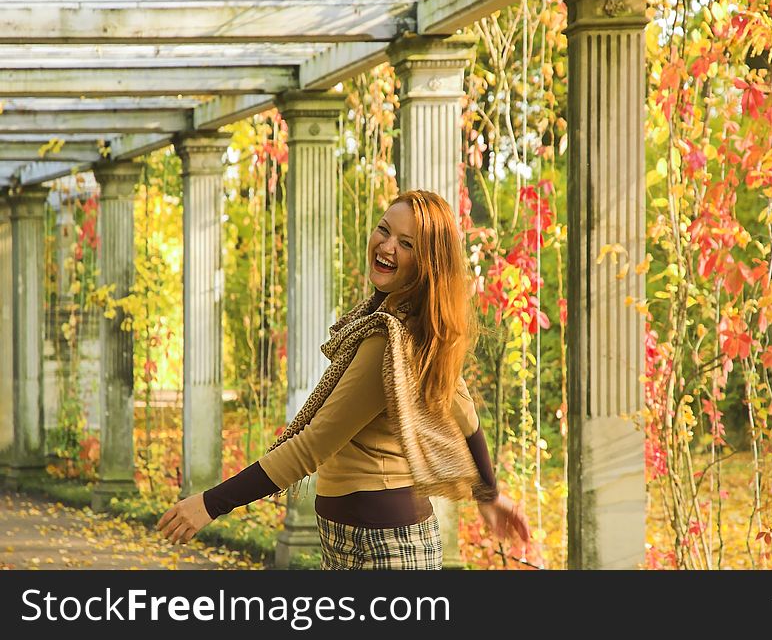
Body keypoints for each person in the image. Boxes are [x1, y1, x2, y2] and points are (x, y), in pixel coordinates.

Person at [157, 189, 530, 569]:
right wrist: (489, 494)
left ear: (427, 264)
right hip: (361, 540)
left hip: (385, 548)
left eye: (406, 244)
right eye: (384, 230)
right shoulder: (413, 328)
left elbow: (312, 446)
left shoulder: (391, 338)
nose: (386, 246)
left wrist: (210, 504)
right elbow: (467, 417)